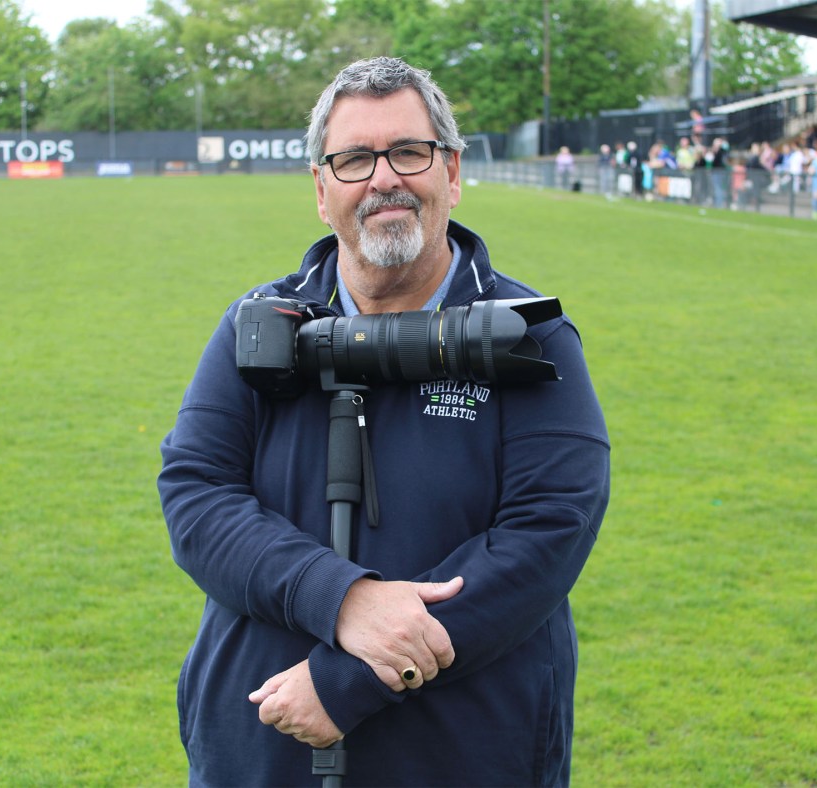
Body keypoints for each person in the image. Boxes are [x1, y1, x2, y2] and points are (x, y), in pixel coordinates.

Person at [157, 56, 610, 787]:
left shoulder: (531, 336)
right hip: (265, 743)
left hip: (465, 752)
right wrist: (341, 600)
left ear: (452, 172)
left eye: (408, 152)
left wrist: (348, 681)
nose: (383, 178)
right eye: (355, 158)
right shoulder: (256, 328)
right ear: (320, 187)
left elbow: (548, 529)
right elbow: (195, 495)